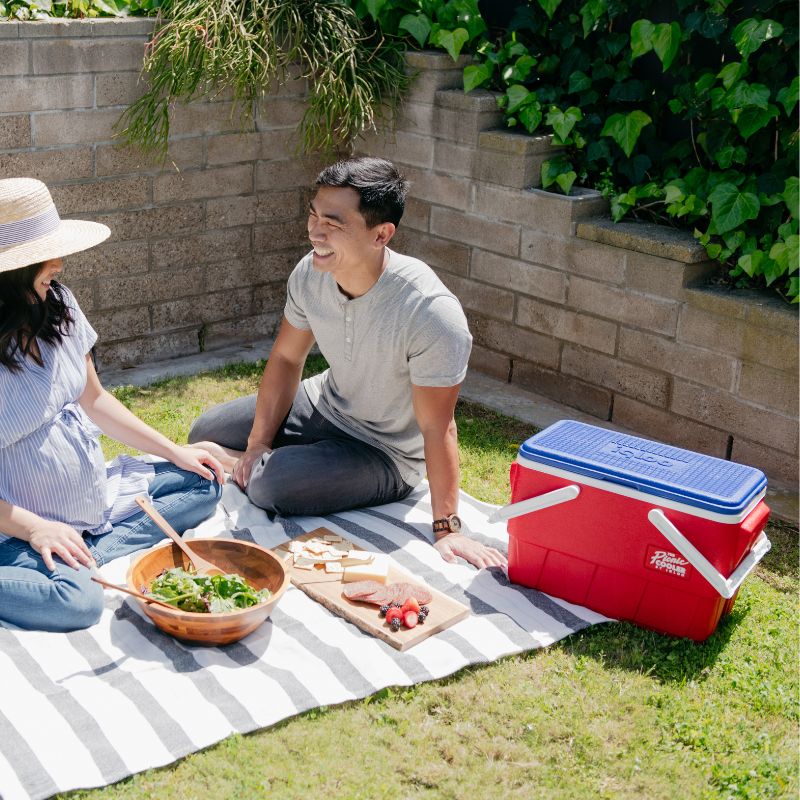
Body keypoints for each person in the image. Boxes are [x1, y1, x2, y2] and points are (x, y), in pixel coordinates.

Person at [189, 157, 506, 570]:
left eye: (333, 223)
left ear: (381, 235)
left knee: (272, 486)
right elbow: (287, 357)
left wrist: (448, 527)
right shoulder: (311, 273)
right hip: (325, 403)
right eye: (313, 215)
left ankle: (248, 466)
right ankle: (261, 459)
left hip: (383, 452)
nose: (315, 232)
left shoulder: (431, 313)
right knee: (204, 430)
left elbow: (438, 426)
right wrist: (257, 444)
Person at [0, 177, 225, 633]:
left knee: (205, 483)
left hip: (92, 499)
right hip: (16, 522)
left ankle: (85, 548)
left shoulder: (57, 303)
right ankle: (63, 557)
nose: (60, 263)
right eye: (46, 257)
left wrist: (174, 451)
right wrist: (35, 529)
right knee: (76, 603)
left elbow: (95, 400)